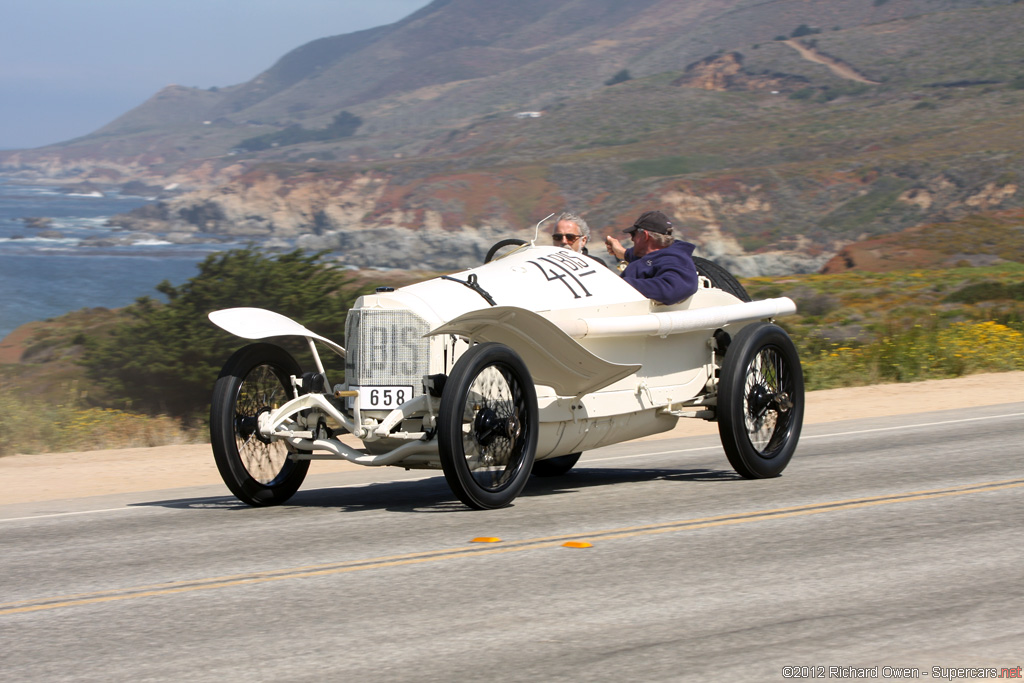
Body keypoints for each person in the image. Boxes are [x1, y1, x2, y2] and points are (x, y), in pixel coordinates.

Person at [604, 210, 698, 305]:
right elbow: (646, 259)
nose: (632, 239)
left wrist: (619, 284)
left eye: (634, 234)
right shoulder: (657, 255)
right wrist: (621, 252)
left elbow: (672, 289)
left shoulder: (675, 258)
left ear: (645, 236)